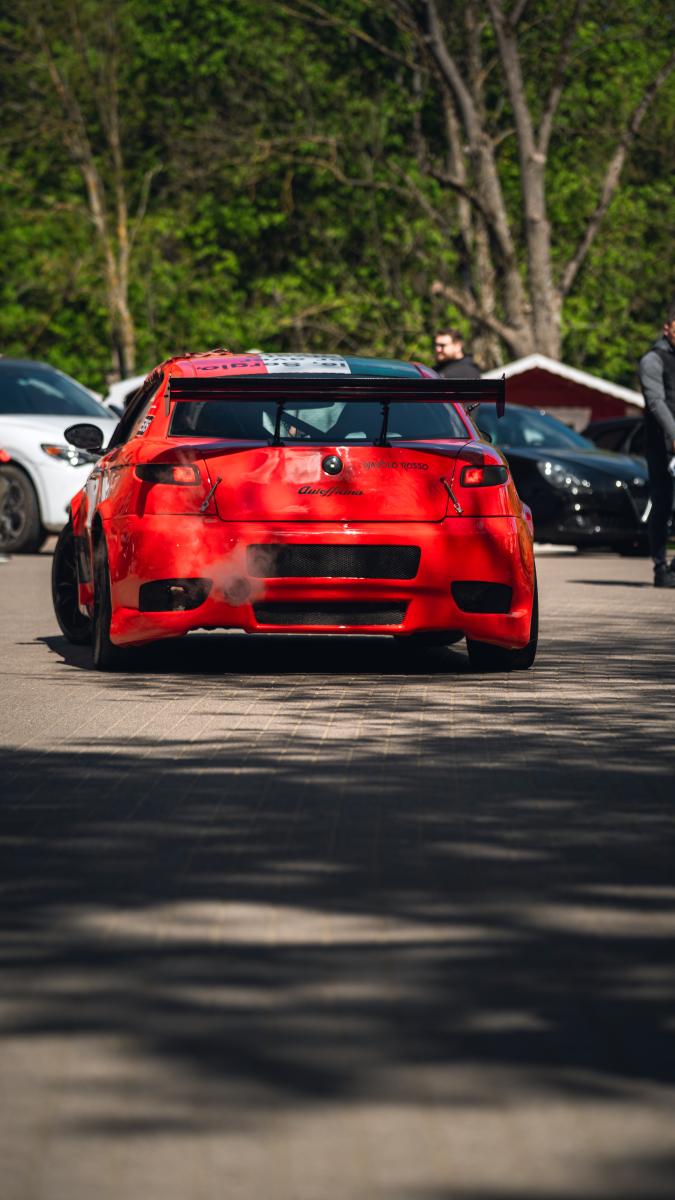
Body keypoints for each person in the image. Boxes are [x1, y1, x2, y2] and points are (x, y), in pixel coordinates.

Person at [638, 306, 675, 589]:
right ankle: (660, 567)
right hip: (662, 445)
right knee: (662, 503)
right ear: (667, 328)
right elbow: (656, 402)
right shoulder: (653, 359)